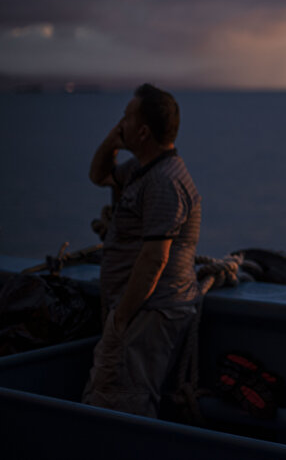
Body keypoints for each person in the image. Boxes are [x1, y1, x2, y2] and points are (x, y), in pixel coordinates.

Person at [82, 83, 202, 418]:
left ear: (144, 131)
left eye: (126, 117)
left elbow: (155, 259)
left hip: (149, 312)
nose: (121, 123)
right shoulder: (140, 169)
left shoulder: (165, 181)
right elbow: (98, 175)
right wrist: (113, 141)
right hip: (135, 310)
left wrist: (120, 320)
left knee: (122, 406)